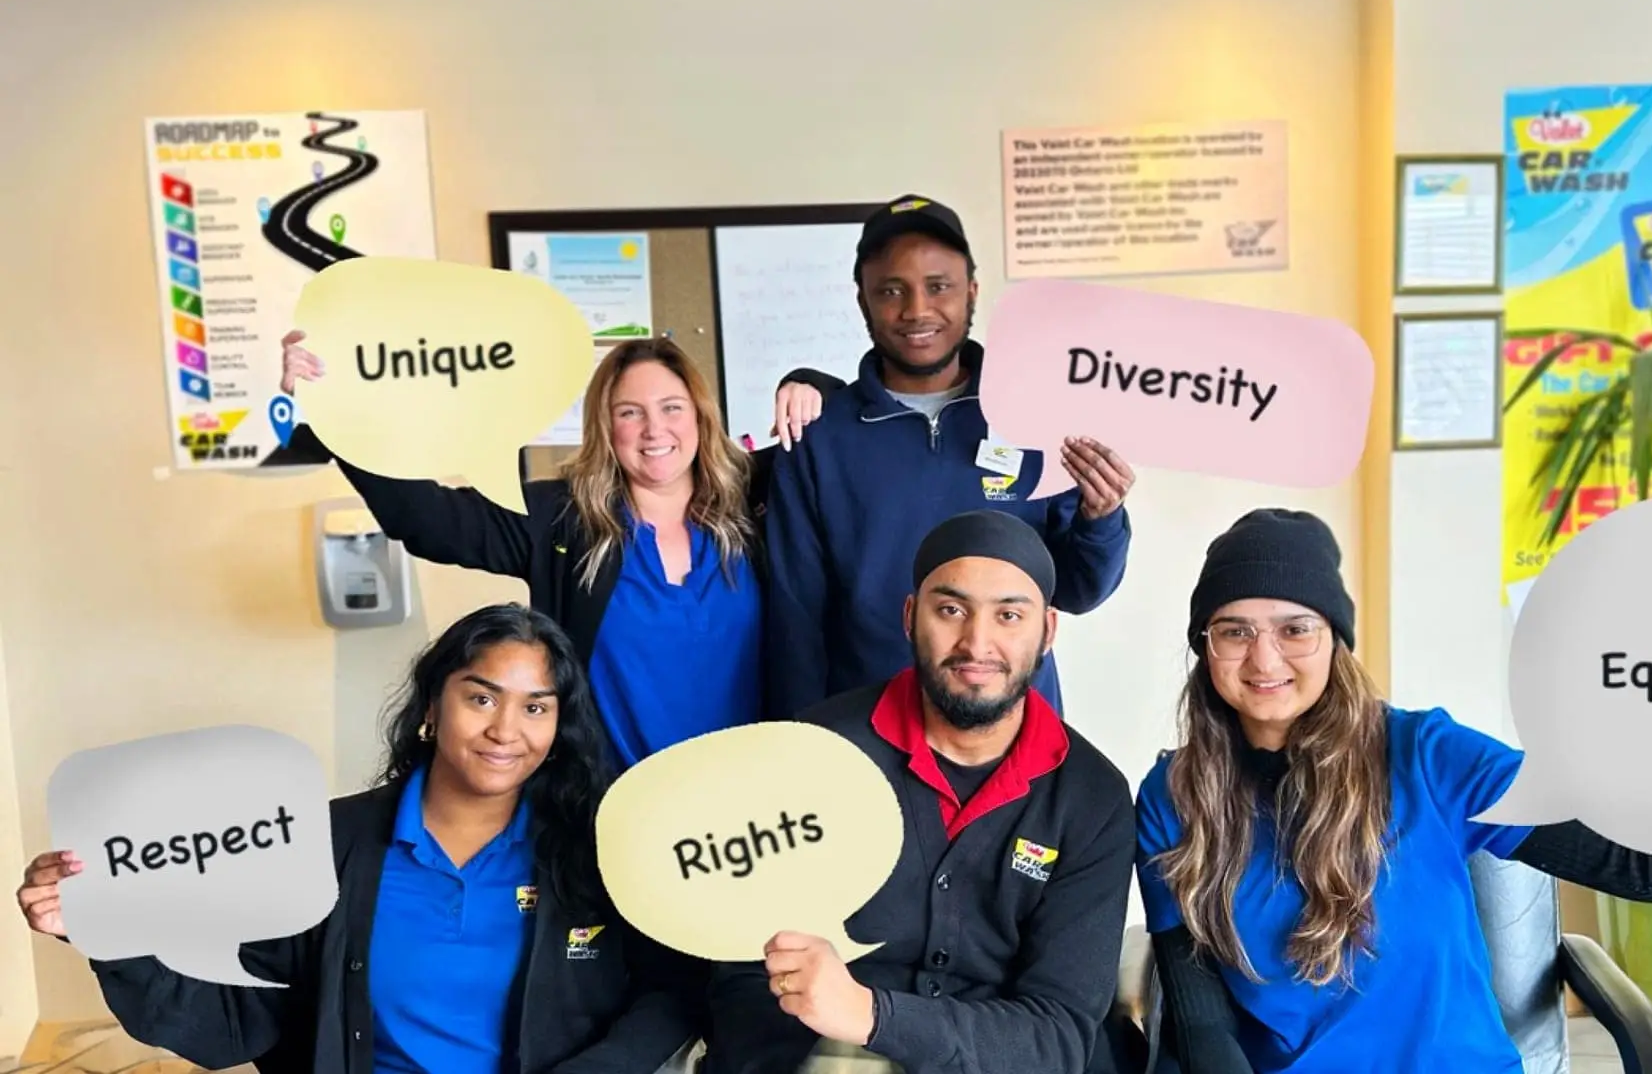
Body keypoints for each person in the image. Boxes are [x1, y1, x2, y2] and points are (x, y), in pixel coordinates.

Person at [1133, 508, 1652, 1073]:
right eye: (1234, 630)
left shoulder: (1427, 757)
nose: (1264, 656)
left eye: (1295, 627)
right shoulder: (1173, 797)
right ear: (1205, 647)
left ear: (1335, 639)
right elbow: (1201, 1021)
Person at [16, 603, 701, 1074]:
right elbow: (236, 1014)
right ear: (433, 705)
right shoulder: (322, 845)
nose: (506, 731)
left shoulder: (596, 851)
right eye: (482, 697)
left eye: (536, 708)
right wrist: (108, 932)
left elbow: (669, 994)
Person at [705, 510, 1138, 1074]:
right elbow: (742, 965)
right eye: (951, 610)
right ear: (911, 617)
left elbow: (1059, 1033)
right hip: (827, 1054)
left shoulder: (1092, 797)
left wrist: (873, 1015)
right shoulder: (813, 750)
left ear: (1048, 632)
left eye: (1009, 615)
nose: (976, 642)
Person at [278, 332, 841, 764]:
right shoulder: (561, 518)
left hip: (757, 805)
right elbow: (427, 520)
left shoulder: (761, 499)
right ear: (605, 425)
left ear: (699, 415)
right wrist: (337, 410)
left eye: (671, 407)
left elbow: (859, 420)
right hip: (611, 810)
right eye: (630, 412)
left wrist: (809, 380)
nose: (654, 429)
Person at [761, 194, 1137, 723]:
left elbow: (1077, 590)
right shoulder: (819, 438)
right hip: (871, 736)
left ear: (971, 293)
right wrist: (801, 741)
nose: (917, 310)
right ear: (863, 300)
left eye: (938, 286)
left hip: (1014, 732)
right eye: (892, 290)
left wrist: (1101, 517)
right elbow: (795, 620)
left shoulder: (1037, 416)